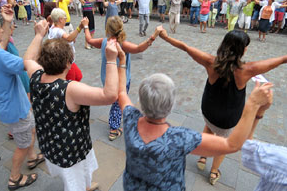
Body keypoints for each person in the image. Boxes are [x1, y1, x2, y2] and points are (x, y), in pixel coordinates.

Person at [117, 35, 273, 190]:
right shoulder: (180, 137)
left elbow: (121, 92)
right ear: (171, 105)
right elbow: (232, 144)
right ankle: (213, 170)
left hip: (132, 187)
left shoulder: (130, 119)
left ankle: (204, 158)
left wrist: (120, 62)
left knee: (209, 126)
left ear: (141, 101)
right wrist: (253, 106)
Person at [158, 28, 287, 185]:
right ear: (242, 49)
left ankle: (203, 155)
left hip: (208, 110)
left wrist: (165, 37)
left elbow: (185, 47)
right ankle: (213, 172)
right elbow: (281, 59)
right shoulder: (247, 70)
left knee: (209, 126)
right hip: (228, 119)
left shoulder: (211, 62)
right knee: (223, 143)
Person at [23, 19, 121, 191]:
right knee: (74, 183)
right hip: (71, 151)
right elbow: (110, 95)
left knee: (77, 179)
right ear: (68, 63)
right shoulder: (70, 89)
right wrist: (112, 60)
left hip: (50, 145)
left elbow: (28, 58)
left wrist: (39, 35)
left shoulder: (36, 76)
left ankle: (86, 186)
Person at [0, 7, 44, 191]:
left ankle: (33, 156)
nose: (2, 31)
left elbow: (0, 47)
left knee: (30, 130)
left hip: (7, 105)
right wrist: (39, 35)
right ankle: (14, 177)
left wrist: (6, 21)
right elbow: (27, 62)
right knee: (22, 143)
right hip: (15, 108)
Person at [83, 16, 160, 141]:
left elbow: (89, 39)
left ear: (107, 29)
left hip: (107, 78)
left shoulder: (103, 41)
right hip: (121, 80)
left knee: (116, 102)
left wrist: (85, 25)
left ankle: (115, 122)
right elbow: (139, 48)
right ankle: (113, 129)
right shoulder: (122, 44)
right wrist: (154, 35)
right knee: (118, 103)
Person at [48, 8, 84, 82]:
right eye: (65, 18)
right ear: (60, 19)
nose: (66, 20)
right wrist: (79, 27)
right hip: (65, 61)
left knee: (78, 75)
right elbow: (69, 38)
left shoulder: (52, 27)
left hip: (68, 60)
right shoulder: (58, 31)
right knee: (72, 81)